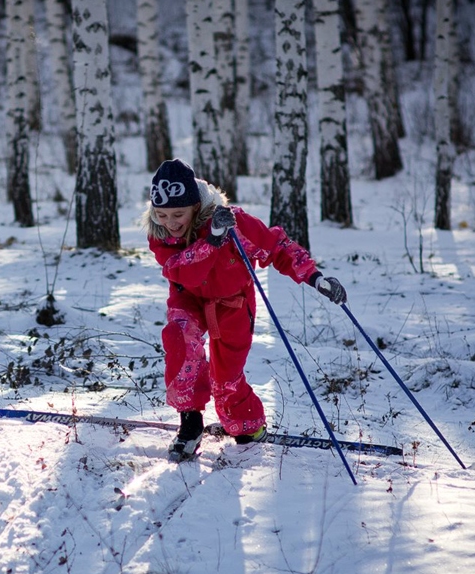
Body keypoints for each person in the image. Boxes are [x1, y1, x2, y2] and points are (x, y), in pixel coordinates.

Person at [143, 159, 347, 462]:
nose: (170, 222)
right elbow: (182, 272)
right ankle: (190, 422)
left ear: (196, 206)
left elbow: (276, 247)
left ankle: (247, 426)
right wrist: (211, 242)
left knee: (226, 376)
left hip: (233, 303)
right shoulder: (161, 234)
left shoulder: (232, 222)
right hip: (189, 299)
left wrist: (315, 277)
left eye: (178, 214)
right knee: (179, 338)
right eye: (162, 214)